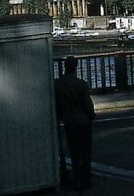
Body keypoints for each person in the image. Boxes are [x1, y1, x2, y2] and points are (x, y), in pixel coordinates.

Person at [55, 55, 95, 191]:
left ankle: (76, 178)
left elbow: (57, 105)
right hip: (83, 121)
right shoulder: (81, 84)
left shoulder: (58, 84)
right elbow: (88, 105)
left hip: (69, 122)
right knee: (86, 152)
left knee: (74, 152)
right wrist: (91, 115)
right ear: (76, 67)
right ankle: (86, 180)